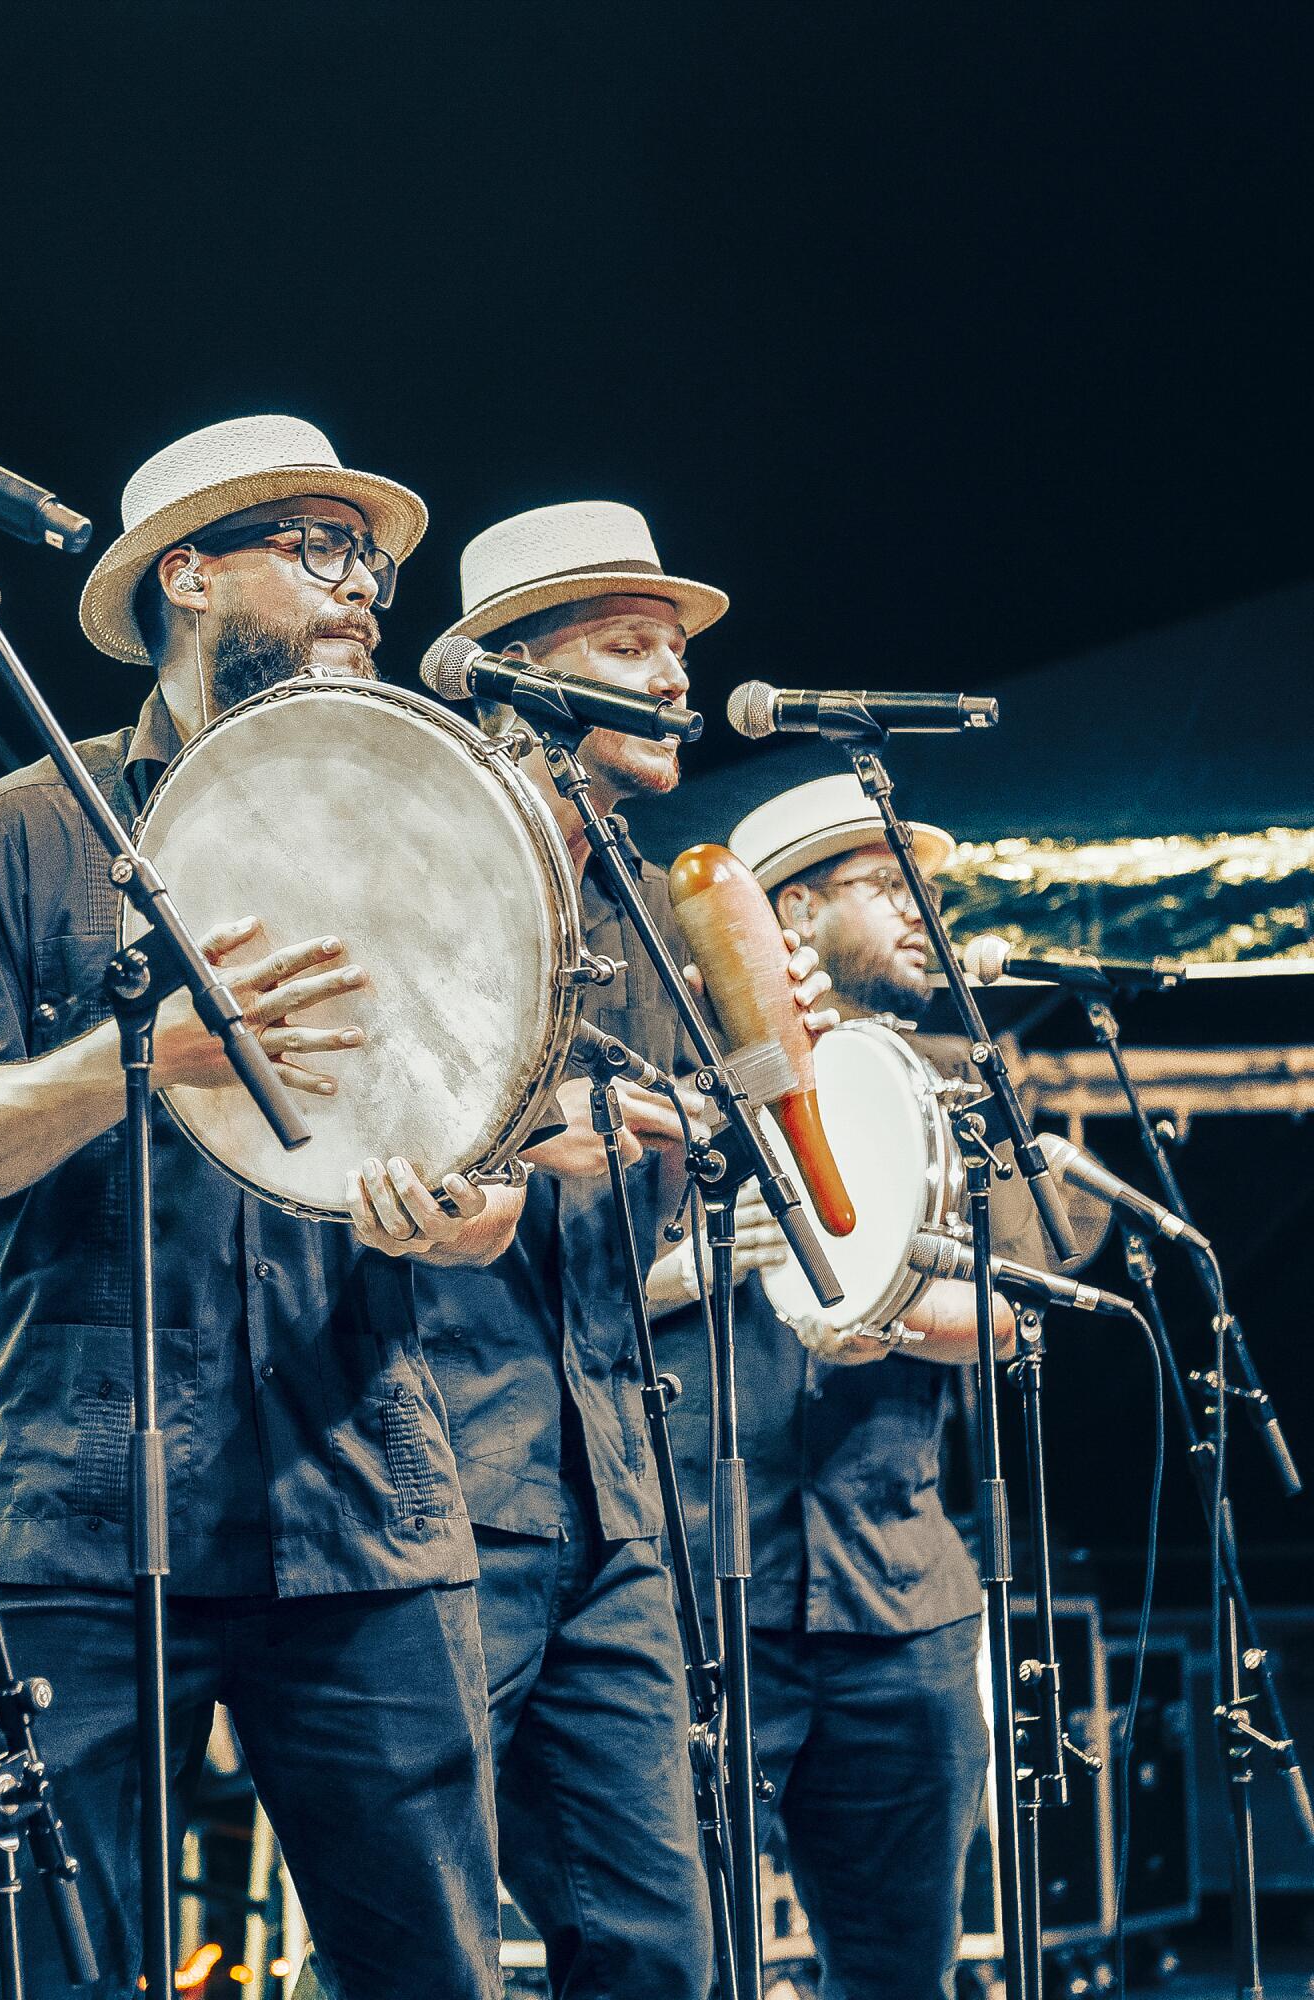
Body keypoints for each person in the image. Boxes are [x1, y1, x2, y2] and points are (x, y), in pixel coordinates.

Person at [0, 415, 526, 1999]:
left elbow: (489, 1180)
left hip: (357, 1488)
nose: (365, 590)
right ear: (188, 575)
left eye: (370, 558)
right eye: (317, 548)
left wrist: (455, 1218)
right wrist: (141, 1059)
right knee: (49, 1969)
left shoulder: (415, 817)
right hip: (73, 1503)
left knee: (432, 1970)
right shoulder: (26, 831)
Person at [411, 502, 832, 1998]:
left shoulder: (649, 913)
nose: (672, 680)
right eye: (627, 647)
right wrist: (531, 1141)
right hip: (438, 1490)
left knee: (662, 1944)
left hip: (610, 1490)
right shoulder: (429, 867)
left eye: (674, 649)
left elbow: (646, 1229)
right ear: (520, 673)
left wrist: (732, 1093)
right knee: (422, 1940)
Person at [651, 771, 1041, 2000]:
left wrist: (881, 1317)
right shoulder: (675, 1088)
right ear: (793, 911)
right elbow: (573, 1287)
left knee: (897, 1974)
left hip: (901, 1605)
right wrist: (704, 1260)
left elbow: (1016, 1315)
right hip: (699, 1599)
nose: (922, 914)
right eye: (886, 888)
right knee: (677, 1962)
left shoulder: (957, 1100)